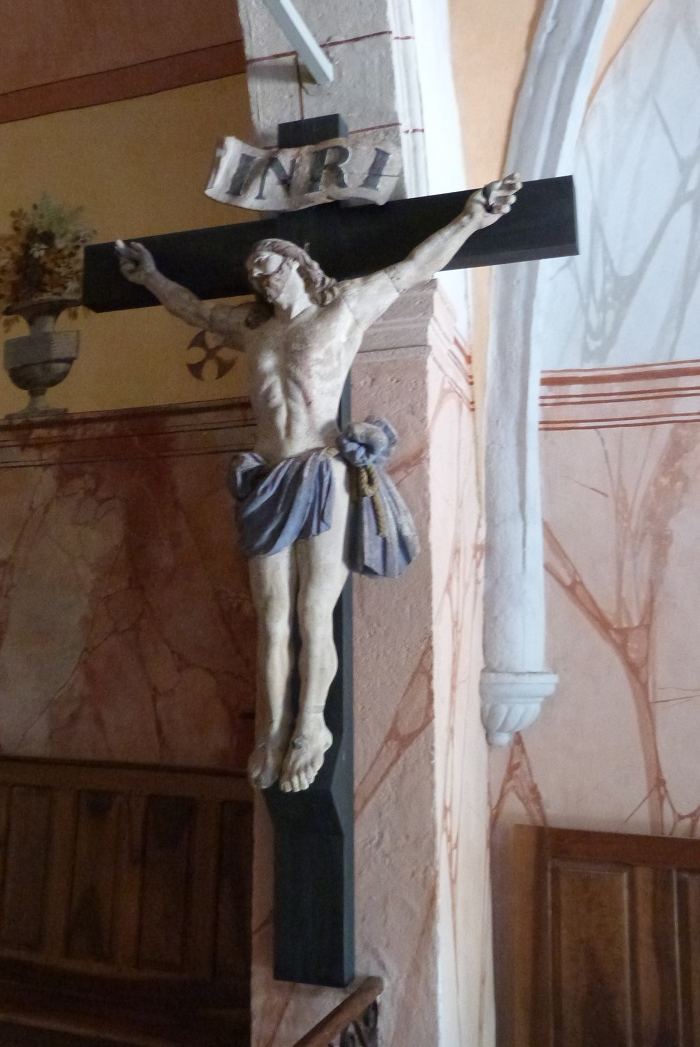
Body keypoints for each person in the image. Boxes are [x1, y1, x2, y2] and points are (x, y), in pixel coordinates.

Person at [116, 174, 520, 793]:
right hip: (267, 477)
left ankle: (311, 725)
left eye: (270, 267)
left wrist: (472, 219)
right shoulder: (254, 329)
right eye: (255, 274)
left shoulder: (345, 309)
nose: (262, 278)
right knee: (271, 615)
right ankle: (272, 727)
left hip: (322, 469)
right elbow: (193, 309)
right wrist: (150, 278)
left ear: (299, 266)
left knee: (312, 610)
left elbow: (412, 267)